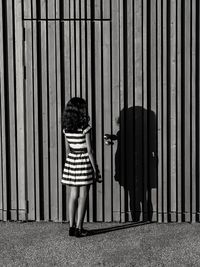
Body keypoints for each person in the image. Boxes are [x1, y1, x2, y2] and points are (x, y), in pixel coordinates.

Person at [61, 97, 101, 237]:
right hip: (84, 161)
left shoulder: (66, 128)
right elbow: (89, 150)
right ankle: (79, 228)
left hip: (71, 161)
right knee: (83, 196)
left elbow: (68, 150)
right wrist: (95, 168)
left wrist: (70, 164)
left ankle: (71, 227)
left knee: (73, 195)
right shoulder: (85, 128)